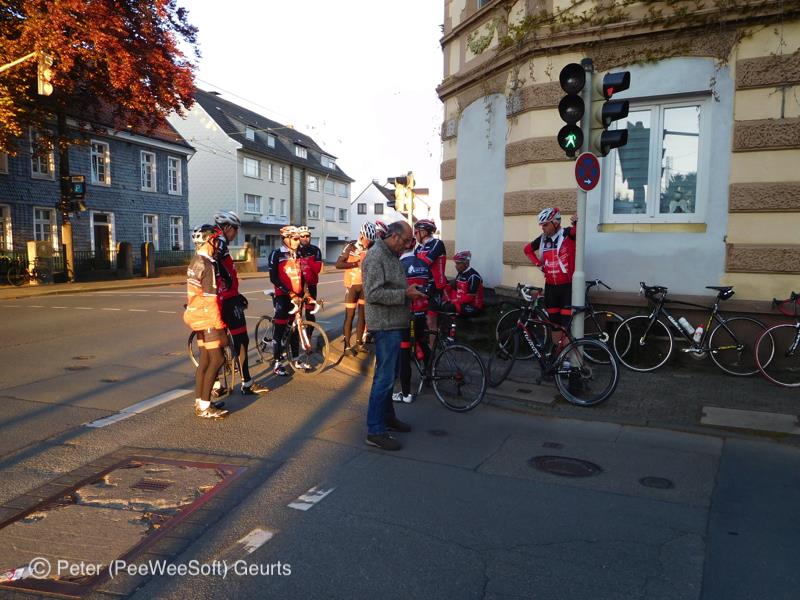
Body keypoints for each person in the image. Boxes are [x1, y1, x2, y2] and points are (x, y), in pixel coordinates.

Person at [361, 220, 426, 451]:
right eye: (407, 241)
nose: (409, 246)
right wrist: (404, 294)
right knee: (384, 378)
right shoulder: (375, 256)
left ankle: (387, 417)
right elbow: (372, 293)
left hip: (395, 322)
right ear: (395, 237)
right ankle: (375, 430)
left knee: (391, 375)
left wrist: (408, 295)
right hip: (385, 325)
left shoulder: (390, 255)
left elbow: (392, 287)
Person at [213, 211, 267, 396]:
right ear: (227, 227)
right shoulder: (219, 241)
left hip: (226, 297)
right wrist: (228, 279)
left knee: (216, 344)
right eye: (235, 229)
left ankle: (216, 385)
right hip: (226, 299)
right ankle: (246, 383)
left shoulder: (215, 239)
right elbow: (214, 263)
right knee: (241, 340)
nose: (236, 234)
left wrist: (237, 292)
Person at [183, 225, 229, 419]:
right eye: (216, 241)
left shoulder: (195, 261)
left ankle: (200, 401)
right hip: (207, 317)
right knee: (217, 359)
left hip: (195, 314)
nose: (218, 244)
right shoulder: (208, 265)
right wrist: (220, 326)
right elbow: (210, 300)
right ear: (210, 241)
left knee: (204, 361)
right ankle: (204, 407)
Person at [523, 207, 577, 352]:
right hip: (551, 287)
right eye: (541, 225)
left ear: (555, 222)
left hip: (567, 287)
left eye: (546, 224)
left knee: (566, 325)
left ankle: (567, 356)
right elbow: (527, 250)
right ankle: (558, 353)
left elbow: (578, 232)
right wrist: (538, 264)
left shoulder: (567, 234)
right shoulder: (542, 239)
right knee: (554, 323)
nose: (543, 228)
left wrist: (577, 223)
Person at [394, 241, 430, 404]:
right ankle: (429, 378)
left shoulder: (399, 265)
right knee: (423, 344)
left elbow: (395, 292)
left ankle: (406, 393)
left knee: (404, 353)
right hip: (422, 312)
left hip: (406, 315)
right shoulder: (423, 263)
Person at [268, 225, 306, 376]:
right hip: (283, 297)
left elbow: (302, 276)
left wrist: (305, 294)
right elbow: (274, 278)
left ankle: (296, 358)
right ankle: (277, 362)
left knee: (295, 328)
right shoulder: (276, 254)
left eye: (299, 239)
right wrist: (289, 293)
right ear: (286, 239)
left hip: (297, 297)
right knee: (280, 330)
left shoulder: (298, 254)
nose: (298, 242)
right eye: (295, 239)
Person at [336, 222, 376, 355]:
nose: (368, 243)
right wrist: (355, 263)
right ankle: (347, 347)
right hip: (352, 286)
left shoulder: (372, 247)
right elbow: (338, 264)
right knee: (350, 316)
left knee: (363, 316)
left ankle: (359, 343)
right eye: (367, 239)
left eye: (371, 240)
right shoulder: (350, 246)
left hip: (365, 286)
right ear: (361, 235)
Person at [413, 218, 447, 347]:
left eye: (416, 232)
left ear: (424, 231)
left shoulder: (437, 244)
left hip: (436, 286)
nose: (415, 235)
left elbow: (425, 263)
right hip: (423, 286)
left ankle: (432, 349)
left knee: (431, 320)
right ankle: (419, 347)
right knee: (417, 318)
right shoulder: (419, 248)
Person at [296, 225, 323, 336]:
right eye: (302, 236)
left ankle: (308, 337)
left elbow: (317, 269)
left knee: (309, 313)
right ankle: (295, 336)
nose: (305, 238)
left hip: (311, 286)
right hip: (297, 286)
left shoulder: (315, 250)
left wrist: (307, 260)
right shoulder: (295, 250)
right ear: (299, 238)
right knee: (297, 312)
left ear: (310, 237)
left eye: (307, 236)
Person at [442, 250, 484, 317]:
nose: (456, 266)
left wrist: (453, 301)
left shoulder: (473, 276)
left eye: (458, 264)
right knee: (441, 304)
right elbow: (455, 289)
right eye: (456, 263)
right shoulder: (461, 273)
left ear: (466, 263)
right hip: (461, 303)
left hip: (473, 306)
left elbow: (469, 298)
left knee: (449, 307)